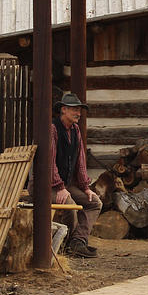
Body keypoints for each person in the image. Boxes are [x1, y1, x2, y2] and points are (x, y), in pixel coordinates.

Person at [50, 92, 102, 258]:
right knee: (69, 203)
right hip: (45, 184)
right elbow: (48, 161)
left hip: (65, 184)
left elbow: (80, 161)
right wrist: (59, 187)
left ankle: (77, 241)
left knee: (94, 202)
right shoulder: (52, 128)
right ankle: (66, 244)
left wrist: (85, 187)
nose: (78, 113)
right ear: (63, 109)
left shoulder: (75, 130)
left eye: (79, 110)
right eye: (74, 109)